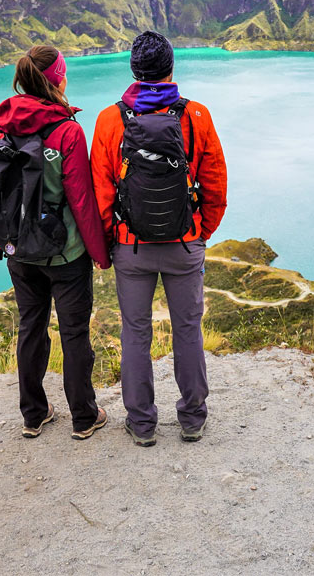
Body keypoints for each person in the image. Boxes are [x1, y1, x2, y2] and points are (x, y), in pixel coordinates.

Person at [91, 31, 227, 446]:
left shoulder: (110, 120)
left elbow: (101, 194)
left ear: (134, 69)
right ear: (171, 68)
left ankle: (143, 423)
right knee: (188, 329)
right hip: (184, 245)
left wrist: (114, 238)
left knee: (135, 332)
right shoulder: (196, 116)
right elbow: (215, 186)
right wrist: (200, 232)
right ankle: (192, 418)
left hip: (132, 248)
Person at [0, 45, 112, 441]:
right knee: (74, 334)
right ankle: (84, 417)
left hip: (18, 248)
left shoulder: (2, 122)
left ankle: (34, 414)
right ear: (57, 79)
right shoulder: (67, 130)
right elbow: (82, 199)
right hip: (65, 251)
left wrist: (1, 240)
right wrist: (99, 252)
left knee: (30, 327)